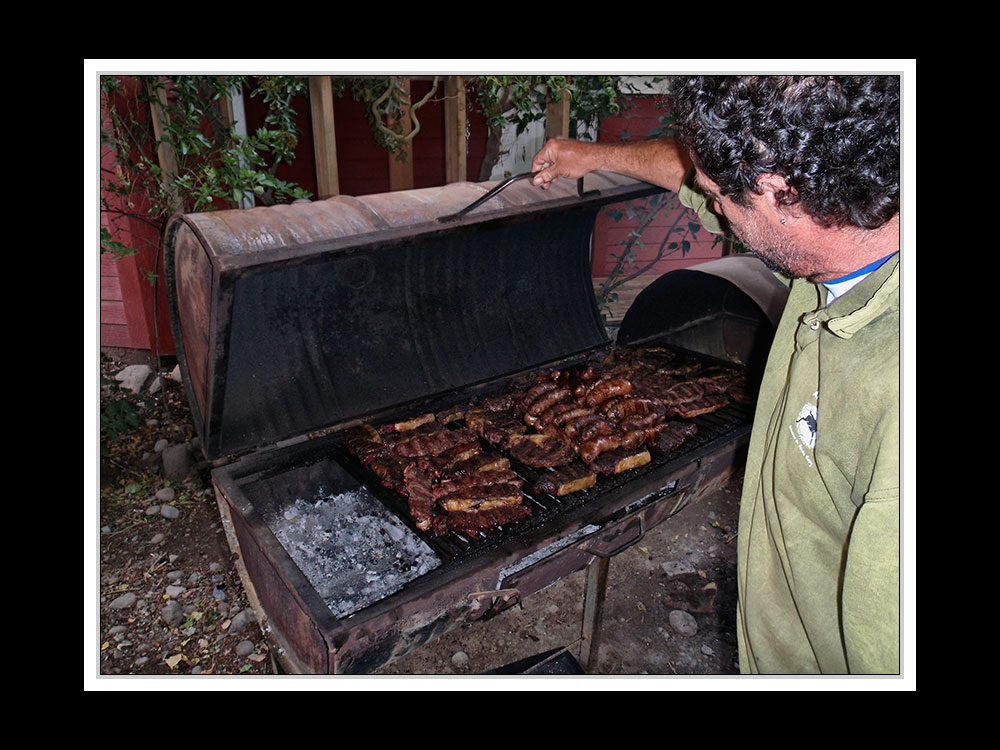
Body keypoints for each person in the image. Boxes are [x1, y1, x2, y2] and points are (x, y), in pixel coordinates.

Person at [531, 75, 900, 675]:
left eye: (720, 195)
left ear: (781, 193)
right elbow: (686, 174)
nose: (711, 207)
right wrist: (591, 154)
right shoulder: (848, 227)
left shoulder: (895, 414)